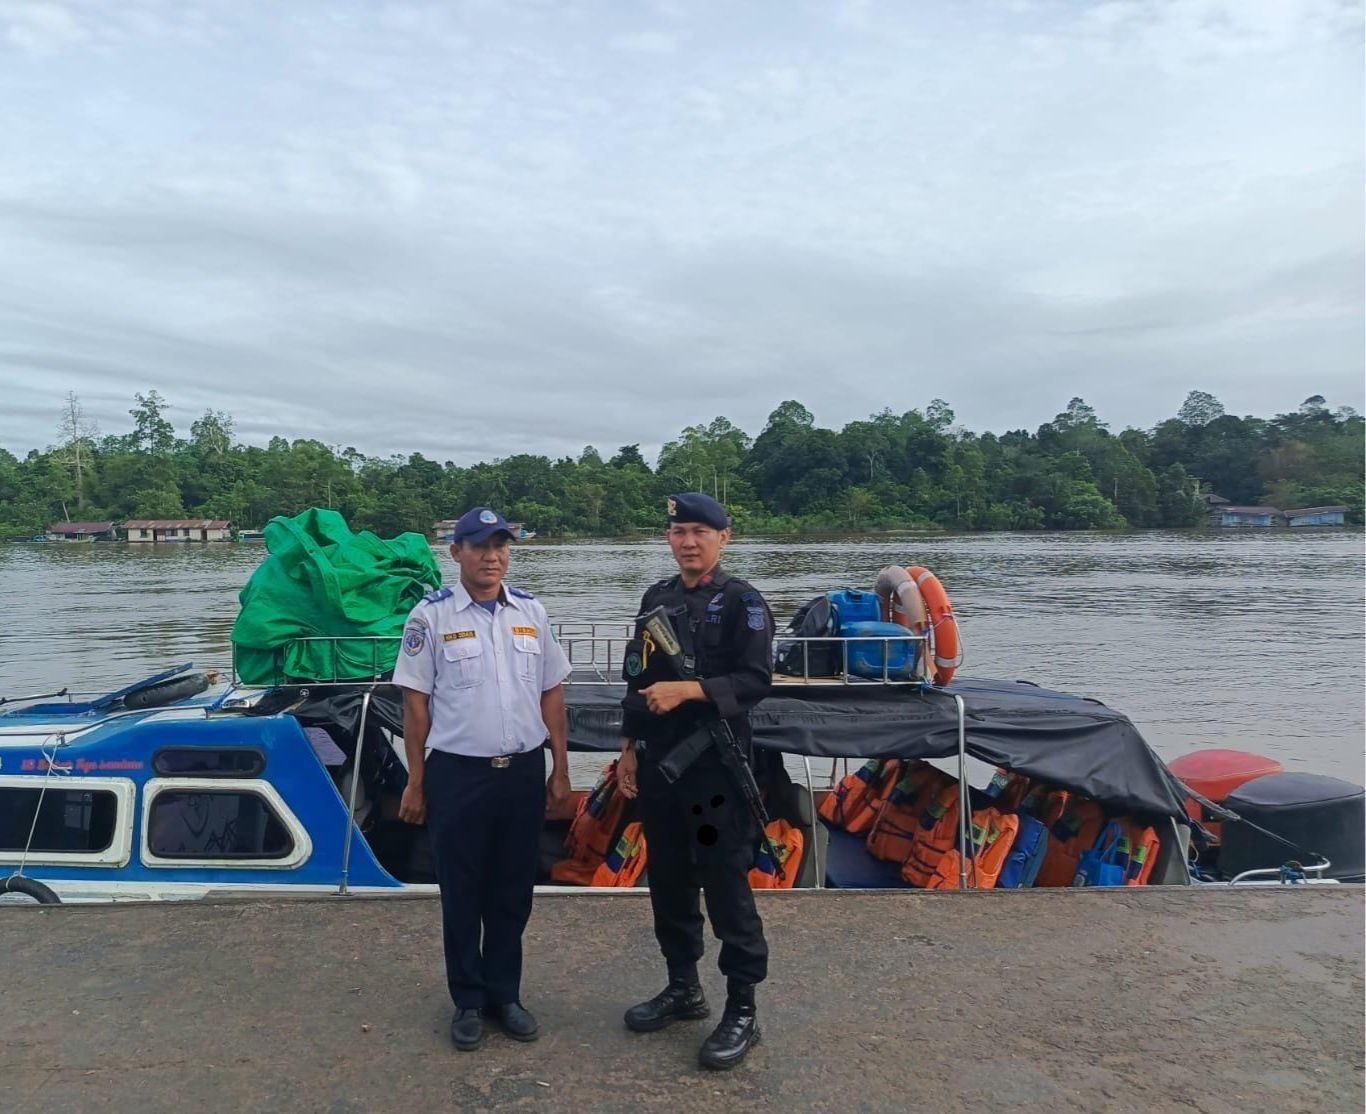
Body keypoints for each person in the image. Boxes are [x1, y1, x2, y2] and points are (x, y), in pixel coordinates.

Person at [393, 506, 572, 1052]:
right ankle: (468, 1001)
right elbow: (416, 706)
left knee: (514, 890)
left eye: (501, 545)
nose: (492, 556)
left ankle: (506, 996)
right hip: (458, 776)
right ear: (457, 553)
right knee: (463, 891)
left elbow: (552, 694)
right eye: (479, 546)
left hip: (520, 774)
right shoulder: (431, 618)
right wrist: (416, 781)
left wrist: (560, 770)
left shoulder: (532, 613)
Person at [616, 492, 774, 1071]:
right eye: (679, 531)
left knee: (725, 884)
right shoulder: (655, 598)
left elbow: (757, 679)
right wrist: (627, 749)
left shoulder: (742, 603)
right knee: (670, 881)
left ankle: (742, 1007)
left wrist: (691, 690)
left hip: (713, 774)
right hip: (660, 767)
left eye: (700, 532)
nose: (688, 541)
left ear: (724, 538)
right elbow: (636, 676)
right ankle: (683, 987)